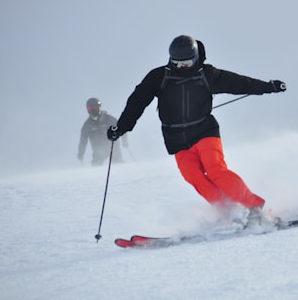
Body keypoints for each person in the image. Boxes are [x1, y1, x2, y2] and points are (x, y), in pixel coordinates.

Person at [107, 35, 286, 219]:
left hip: (204, 131)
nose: (183, 67)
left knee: (216, 170)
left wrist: (268, 86)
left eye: (187, 63)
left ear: (195, 57)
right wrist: (121, 127)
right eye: (177, 64)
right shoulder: (159, 77)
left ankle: (255, 207)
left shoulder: (206, 74)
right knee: (194, 177)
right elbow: (137, 102)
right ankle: (229, 212)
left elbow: (238, 83)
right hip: (177, 139)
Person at [78, 97, 128, 166]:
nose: (92, 110)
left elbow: (121, 128)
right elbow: (83, 140)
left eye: (94, 107)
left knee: (118, 165)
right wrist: (81, 153)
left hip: (113, 148)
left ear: (99, 107)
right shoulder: (87, 125)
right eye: (90, 108)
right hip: (98, 152)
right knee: (95, 168)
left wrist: (124, 141)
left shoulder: (109, 119)